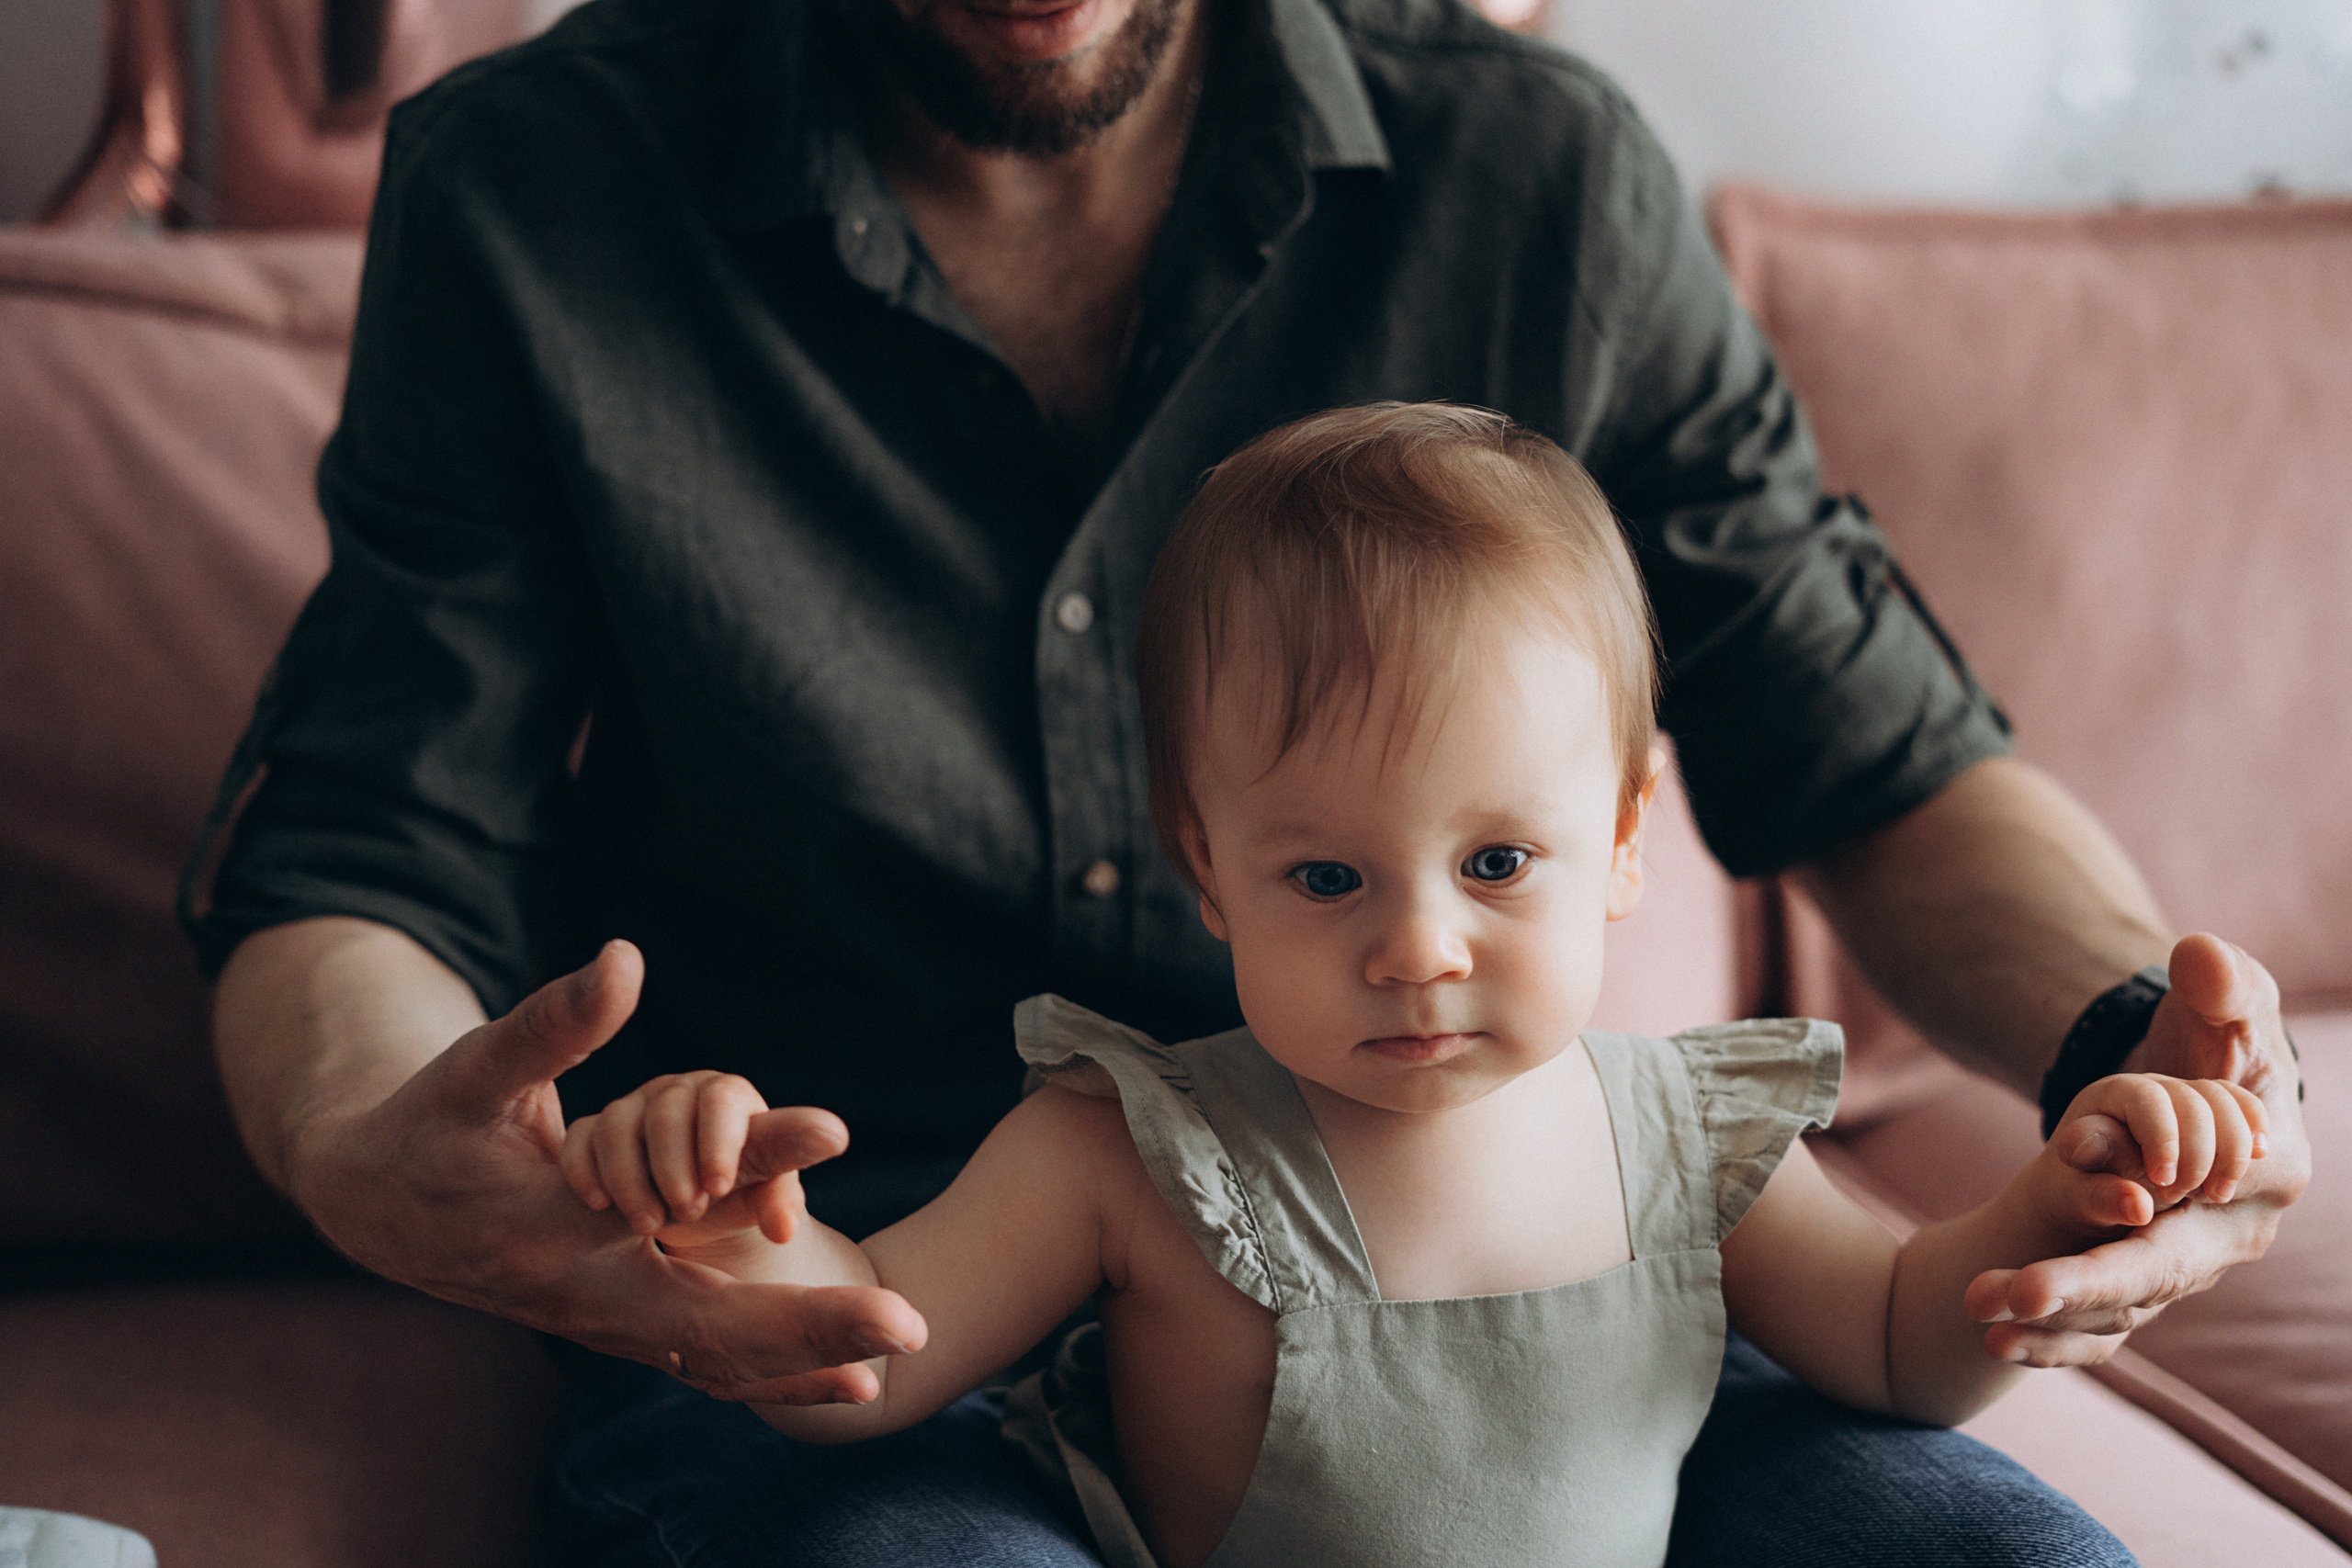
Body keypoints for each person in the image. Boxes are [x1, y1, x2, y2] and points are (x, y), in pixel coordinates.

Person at [182, 0, 2309, 1560]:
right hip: (883, 1284)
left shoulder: (1534, 174)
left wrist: (2147, 1059)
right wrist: (389, 1149)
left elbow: (1875, 741)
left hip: (1521, 1312)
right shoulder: (535, 183)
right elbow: (369, 837)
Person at [552, 405, 2268, 1568]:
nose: (1420, 946)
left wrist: (2057, 1208)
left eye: (1499, 865)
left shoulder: (1681, 1133)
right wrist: (750, 1242)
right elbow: (881, 1357)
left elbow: (1898, 1339)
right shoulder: (1126, 1151)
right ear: (1207, 867)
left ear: (1618, 843)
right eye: (1325, 878)